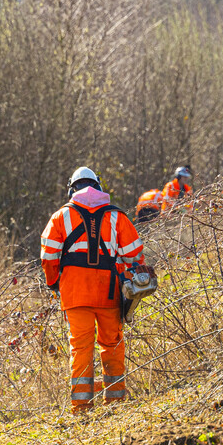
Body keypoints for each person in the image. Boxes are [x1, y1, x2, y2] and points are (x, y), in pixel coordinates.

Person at [39, 167, 145, 414]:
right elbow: (135, 256)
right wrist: (130, 282)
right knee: (112, 344)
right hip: (109, 292)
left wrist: (55, 283)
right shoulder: (117, 216)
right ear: (98, 186)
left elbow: (48, 257)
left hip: (75, 293)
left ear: (71, 188)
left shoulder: (60, 217)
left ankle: (82, 407)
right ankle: (116, 402)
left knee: (81, 348)